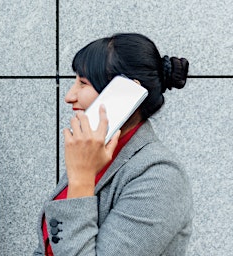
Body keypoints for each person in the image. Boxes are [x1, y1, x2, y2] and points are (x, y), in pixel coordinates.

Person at [34, 33, 192, 255]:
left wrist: (81, 179)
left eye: (83, 83)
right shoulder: (94, 153)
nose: (70, 96)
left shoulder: (161, 177)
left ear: (126, 93)